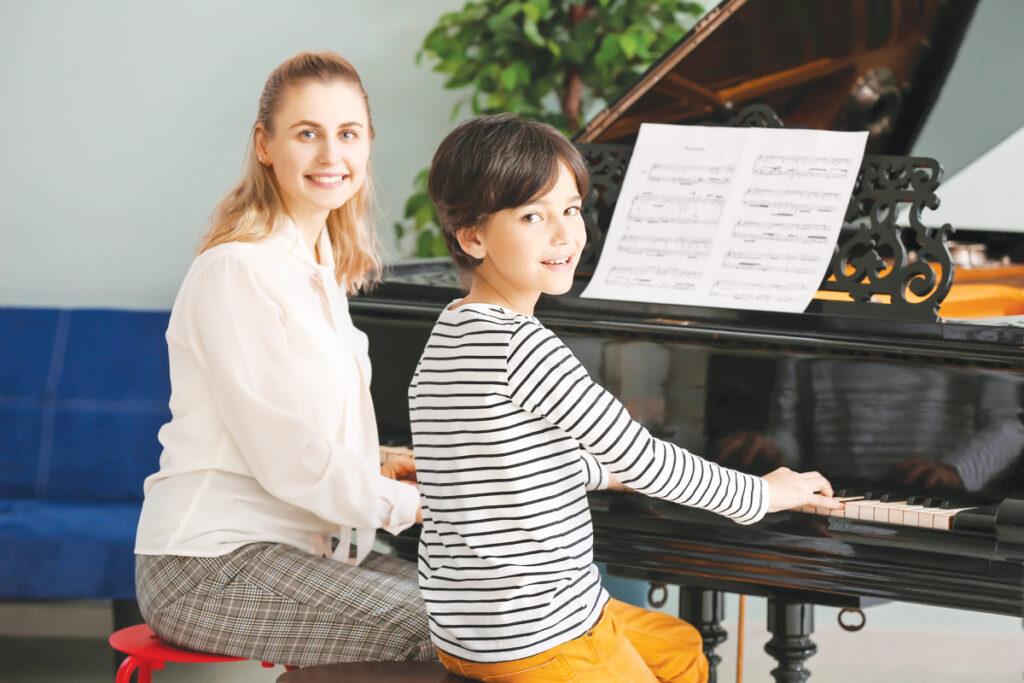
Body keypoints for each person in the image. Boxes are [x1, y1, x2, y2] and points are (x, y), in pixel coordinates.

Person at [409, 113, 843, 683]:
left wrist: (596, 470)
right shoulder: (525, 347)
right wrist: (762, 493)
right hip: (540, 634)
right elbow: (645, 459)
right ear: (473, 236)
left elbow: (499, 462)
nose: (565, 234)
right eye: (533, 216)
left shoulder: (451, 330)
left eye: (569, 208)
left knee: (680, 644)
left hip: (469, 629)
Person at [133, 52, 435, 667]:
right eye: (307, 133)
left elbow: (296, 431)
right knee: (454, 632)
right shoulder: (237, 270)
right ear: (265, 145)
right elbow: (286, 457)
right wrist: (419, 506)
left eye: (347, 134)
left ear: (367, 143)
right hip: (207, 566)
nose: (331, 156)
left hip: (300, 552)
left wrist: (388, 464)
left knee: (492, 610)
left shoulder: (320, 270)